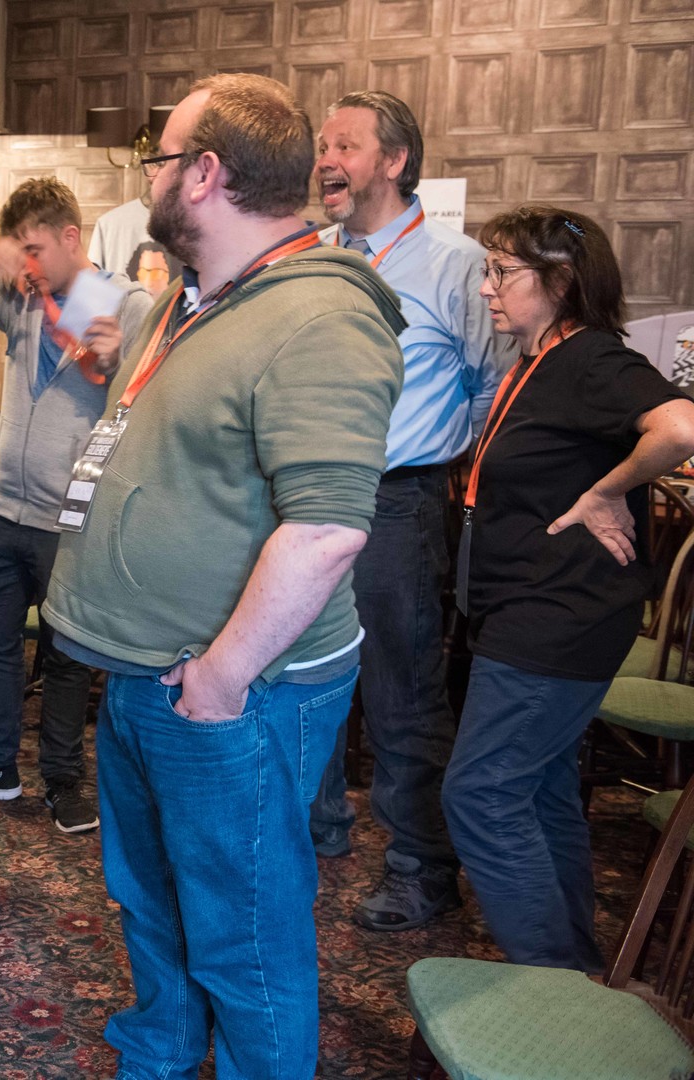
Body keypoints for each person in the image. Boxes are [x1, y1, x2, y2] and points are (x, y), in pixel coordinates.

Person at [43, 74, 404, 1078]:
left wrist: (221, 676)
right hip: (145, 667)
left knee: (241, 927)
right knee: (151, 896)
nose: (146, 174)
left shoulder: (319, 317)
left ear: (203, 173)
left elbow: (326, 531)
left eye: (157, 157)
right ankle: (159, 1052)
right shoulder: (192, 297)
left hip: (232, 686)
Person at [443, 206, 694, 971]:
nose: (486, 287)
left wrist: (608, 490)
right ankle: (572, 965)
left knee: (480, 794)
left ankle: (551, 978)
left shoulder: (591, 358)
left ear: (561, 280)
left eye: (502, 271)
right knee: (541, 788)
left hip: (558, 615)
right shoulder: (537, 359)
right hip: (528, 606)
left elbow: (682, 428)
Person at [306, 90, 514, 931]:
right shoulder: (315, 256)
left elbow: (492, 386)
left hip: (398, 504)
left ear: (393, 161)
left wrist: (447, 474)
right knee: (301, 671)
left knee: (402, 691)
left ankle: (422, 868)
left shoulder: (456, 265)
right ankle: (317, 829)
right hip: (305, 499)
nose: (325, 160)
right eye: (323, 144)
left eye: (344, 146)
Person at [0, 176, 152, 833]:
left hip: (71, 518)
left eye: (36, 249)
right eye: (20, 251)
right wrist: (0, 253)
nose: (27, 264)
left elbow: (156, 394)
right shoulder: (22, 294)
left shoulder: (124, 305)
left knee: (68, 659)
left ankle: (63, 779)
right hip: (4, 511)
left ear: (71, 238)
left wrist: (119, 359)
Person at [89, 194, 182, 289]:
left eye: (157, 273)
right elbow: (92, 284)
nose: (150, 283)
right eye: (144, 272)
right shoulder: (107, 224)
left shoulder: (108, 224)